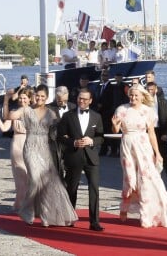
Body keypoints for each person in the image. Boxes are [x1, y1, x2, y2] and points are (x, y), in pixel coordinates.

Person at [8, 84, 78, 227]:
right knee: (34, 180)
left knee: (48, 183)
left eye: (42, 96)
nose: (39, 98)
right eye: (37, 95)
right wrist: (6, 100)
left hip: (45, 150)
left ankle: (46, 215)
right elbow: (10, 116)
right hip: (30, 148)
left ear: (46, 98)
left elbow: (62, 130)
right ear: (34, 96)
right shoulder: (26, 110)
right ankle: (26, 211)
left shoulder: (51, 114)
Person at [112, 85, 167, 228]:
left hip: (143, 147)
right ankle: (124, 208)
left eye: (136, 95)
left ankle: (146, 215)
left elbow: (151, 133)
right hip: (127, 146)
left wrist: (158, 153)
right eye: (131, 95)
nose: (133, 98)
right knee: (130, 180)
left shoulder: (148, 111)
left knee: (146, 180)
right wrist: (114, 126)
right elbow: (116, 129)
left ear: (142, 96)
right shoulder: (121, 109)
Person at [57, 88, 104, 231]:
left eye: (84, 99)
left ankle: (94, 222)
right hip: (74, 156)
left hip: (91, 158)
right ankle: (70, 217)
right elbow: (60, 136)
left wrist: (91, 141)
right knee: (72, 188)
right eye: (79, 98)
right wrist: (73, 142)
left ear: (90, 101)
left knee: (94, 188)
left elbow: (101, 137)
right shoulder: (67, 116)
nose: (81, 101)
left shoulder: (97, 116)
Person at [0, 88, 31, 210]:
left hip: (31, 144)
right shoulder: (13, 112)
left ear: (29, 99)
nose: (22, 100)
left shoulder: (34, 112)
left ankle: (29, 204)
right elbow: (3, 128)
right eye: (21, 98)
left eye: (25, 98)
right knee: (19, 177)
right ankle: (20, 205)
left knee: (30, 176)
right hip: (17, 145)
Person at [146, 81, 167, 190]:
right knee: (149, 157)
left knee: (165, 157)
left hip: (160, 131)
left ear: (156, 90)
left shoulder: (163, 102)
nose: (149, 92)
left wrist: (166, 133)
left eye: (151, 90)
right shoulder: (143, 103)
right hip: (147, 132)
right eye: (148, 90)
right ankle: (151, 182)